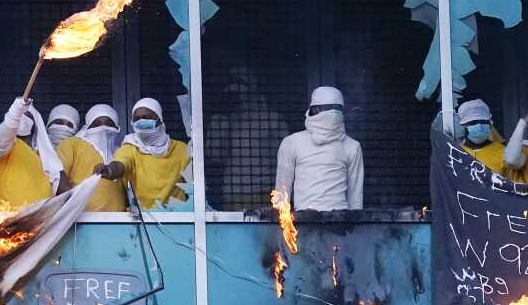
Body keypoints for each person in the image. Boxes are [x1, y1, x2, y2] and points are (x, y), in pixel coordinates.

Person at [206, 66, 289, 210]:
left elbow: (287, 161)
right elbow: (215, 157)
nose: (235, 96)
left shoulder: (271, 119)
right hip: (234, 195)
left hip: (267, 194)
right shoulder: (222, 121)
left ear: (253, 90)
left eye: (238, 91)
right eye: (231, 93)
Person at [275, 86, 363, 211]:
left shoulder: (352, 146)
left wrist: (354, 228)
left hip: (340, 223)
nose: (333, 112)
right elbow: (282, 192)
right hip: (303, 223)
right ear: (314, 110)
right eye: (327, 108)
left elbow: (355, 199)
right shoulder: (292, 143)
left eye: (337, 109)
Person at [93, 98, 190, 209]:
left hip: (178, 219)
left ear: (159, 119)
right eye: (137, 119)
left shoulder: (182, 149)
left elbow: (193, 187)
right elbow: (119, 165)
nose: (141, 122)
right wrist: (109, 170)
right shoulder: (130, 147)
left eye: (146, 118)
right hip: (142, 220)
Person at [0, 97, 64, 208]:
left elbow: (67, 191)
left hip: (42, 220)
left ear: (36, 125)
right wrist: (16, 111)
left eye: (28, 116)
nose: (23, 118)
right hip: (9, 218)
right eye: (21, 115)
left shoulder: (43, 156)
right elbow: (6, 134)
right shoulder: (4, 148)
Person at [56, 104, 125, 212]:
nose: (103, 128)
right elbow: (57, 177)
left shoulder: (122, 151)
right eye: (96, 124)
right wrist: (74, 207)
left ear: (117, 128)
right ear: (86, 128)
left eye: (110, 124)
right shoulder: (72, 144)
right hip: (80, 220)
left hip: (119, 221)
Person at [456, 99, 520, 180]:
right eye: (473, 122)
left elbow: (513, 186)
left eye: (483, 122)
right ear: (463, 125)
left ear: (490, 123)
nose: (479, 126)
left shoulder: (504, 153)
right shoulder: (456, 153)